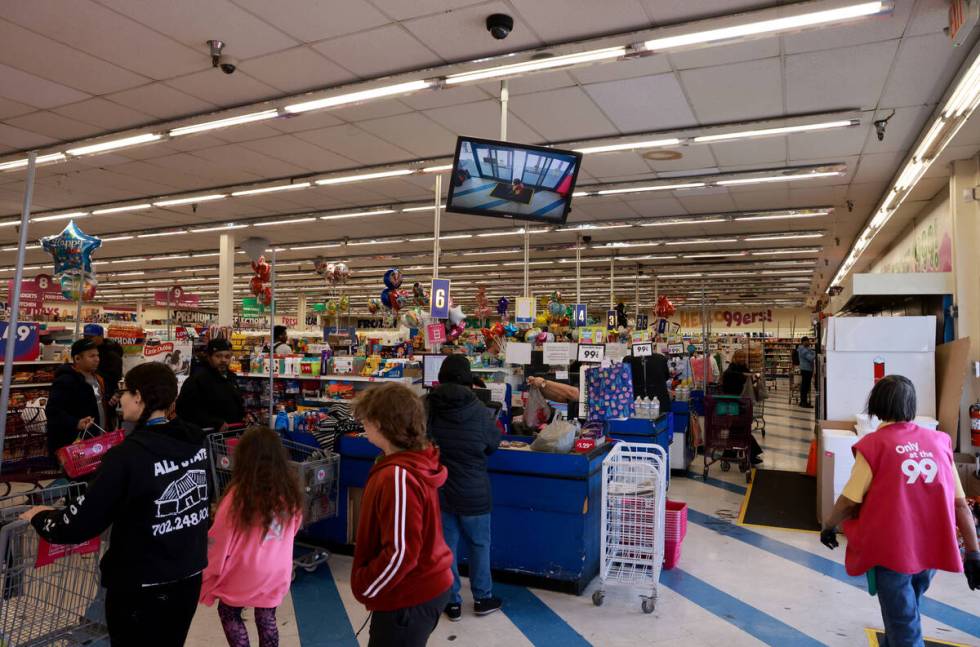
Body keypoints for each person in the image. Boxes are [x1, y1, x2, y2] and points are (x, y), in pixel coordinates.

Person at [21, 362, 210, 646]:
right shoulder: (196, 440)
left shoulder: (127, 456)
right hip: (189, 573)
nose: (120, 399)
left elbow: (80, 523)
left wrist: (41, 517)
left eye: (124, 391)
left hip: (140, 585)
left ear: (138, 397)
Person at [821, 376, 980, 646]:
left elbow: (849, 501)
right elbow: (960, 504)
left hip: (892, 550)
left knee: (903, 621)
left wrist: (828, 525)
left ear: (877, 405)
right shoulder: (939, 442)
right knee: (908, 607)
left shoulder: (874, 445)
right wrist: (974, 554)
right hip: (931, 549)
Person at [351, 383, 453, 647]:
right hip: (421, 587)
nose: (363, 424)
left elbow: (401, 551)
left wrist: (366, 586)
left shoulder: (397, 475)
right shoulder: (415, 461)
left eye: (366, 418)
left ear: (381, 423)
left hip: (408, 595)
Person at [199, 426, 304, 647]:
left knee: (229, 612)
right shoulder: (289, 493)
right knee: (267, 617)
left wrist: (207, 571)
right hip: (276, 571)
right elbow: (292, 530)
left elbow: (220, 540)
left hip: (244, 571)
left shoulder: (238, 496)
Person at [426, 355, 503, 621]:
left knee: (447, 547)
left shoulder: (429, 406)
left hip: (441, 489)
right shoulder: (481, 411)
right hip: (475, 493)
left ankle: (452, 601)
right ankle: (482, 598)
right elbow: (493, 445)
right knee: (480, 545)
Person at [45, 338, 112, 457]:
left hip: (97, 439)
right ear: (77, 359)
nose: (97, 359)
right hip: (76, 444)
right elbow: (52, 411)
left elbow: (100, 404)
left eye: (97, 355)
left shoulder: (98, 378)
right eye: (91, 356)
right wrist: (76, 422)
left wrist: (112, 401)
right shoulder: (66, 381)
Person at [176, 338, 245, 432]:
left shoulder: (231, 377)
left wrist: (245, 415)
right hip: (208, 435)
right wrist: (214, 422)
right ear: (209, 357)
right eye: (218, 356)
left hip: (231, 433)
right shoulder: (198, 379)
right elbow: (185, 410)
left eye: (227, 356)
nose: (223, 360)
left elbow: (236, 403)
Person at [720, 350, 763, 465]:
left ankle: (729, 453)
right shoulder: (731, 369)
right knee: (740, 428)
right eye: (739, 357)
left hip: (741, 404)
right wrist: (745, 376)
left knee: (737, 428)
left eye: (743, 357)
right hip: (733, 404)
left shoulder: (743, 368)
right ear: (734, 358)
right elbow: (730, 376)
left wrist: (753, 376)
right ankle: (751, 453)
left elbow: (750, 376)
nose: (742, 359)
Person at [84, 323, 123, 398]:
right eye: (85, 336)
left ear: (101, 337)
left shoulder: (111, 354)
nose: (87, 339)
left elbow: (115, 377)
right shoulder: (86, 350)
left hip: (107, 394)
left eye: (91, 337)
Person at [797, 336, 816, 408]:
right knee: (805, 386)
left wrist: (813, 352)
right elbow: (810, 358)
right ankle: (803, 402)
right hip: (806, 369)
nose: (809, 342)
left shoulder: (806, 348)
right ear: (803, 342)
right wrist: (815, 354)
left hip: (807, 369)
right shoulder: (803, 349)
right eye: (807, 341)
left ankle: (803, 401)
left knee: (805, 386)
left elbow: (811, 352)